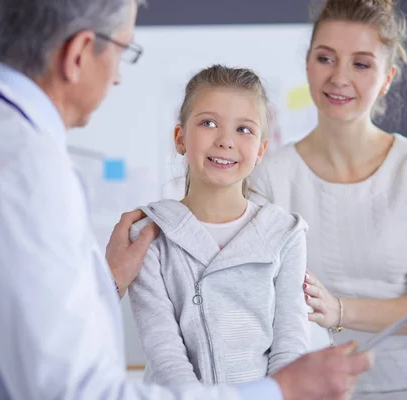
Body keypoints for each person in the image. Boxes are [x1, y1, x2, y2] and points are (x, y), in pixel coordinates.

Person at [0, 0, 372, 399]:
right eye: (123, 52)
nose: (118, 76)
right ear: (79, 53)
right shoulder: (22, 169)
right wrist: (277, 392)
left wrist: (107, 280)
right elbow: (78, 391)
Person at [250, 0, 407, 398]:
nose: (339, 77)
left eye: (361, 64)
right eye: (326, 58)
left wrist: (338, 308)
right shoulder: (270, 177)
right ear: (308, 63)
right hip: (345, 378)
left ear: (386, 77)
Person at [129, 65, 309, 386]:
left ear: (261, 151)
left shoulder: (285, 234)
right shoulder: (150, 234)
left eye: (244, 129)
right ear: (180, 137)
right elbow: (166, 355)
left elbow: (289, 348)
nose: (226, 140)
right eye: (208, 123)